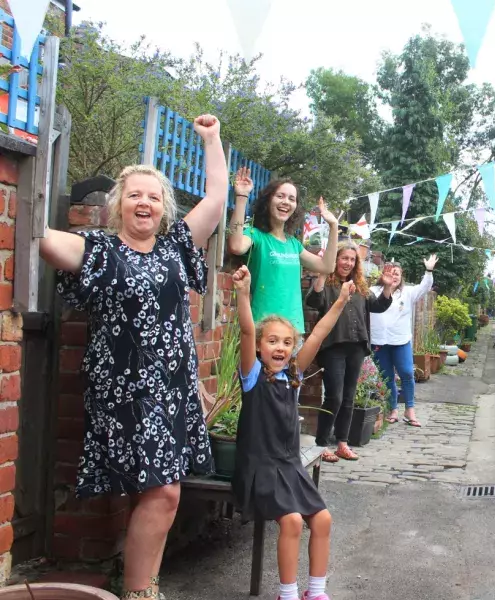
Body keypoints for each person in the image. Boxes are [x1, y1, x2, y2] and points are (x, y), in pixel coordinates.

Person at [41, 115, 227, 600]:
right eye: (133, 194)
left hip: (171, 388)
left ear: (163, 208)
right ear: (117, 205)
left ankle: (145, 584)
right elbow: (43, 238)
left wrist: (212, 140)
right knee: (165, 491)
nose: (143, 202)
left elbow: (216, 199)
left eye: (152, 195)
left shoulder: (176, 247)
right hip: (125, 391)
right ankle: (140, 592)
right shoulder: (99, 250)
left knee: (161, 493)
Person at [231, 265, 349, 600]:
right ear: (260, 348)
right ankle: (287, 592)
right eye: (272, 341)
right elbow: (245, 331)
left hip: (289, 467)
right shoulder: (252, 376)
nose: (280, 348)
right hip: (261, 468)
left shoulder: (293, 378)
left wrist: (339, 302)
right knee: (293, 521)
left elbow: (317, 336)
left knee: (323, 520)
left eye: (286, 342)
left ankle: (316, 591)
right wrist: (243, 295)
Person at [306, 241, 395, 462]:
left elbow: (379, 306)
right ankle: (321, 444)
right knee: (333, 397)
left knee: (348, 398)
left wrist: (387, 287)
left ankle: (342, 443)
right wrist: (320, 274)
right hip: (333, 346)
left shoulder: (360, 287)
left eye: (352, 259)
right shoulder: (327, 283)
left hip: (356, 347)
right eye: (344, 258)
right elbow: (313, 301)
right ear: (335, 260)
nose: (348, 263)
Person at [226, 172, 341, 334]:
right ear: (268, 201)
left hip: (293, 331)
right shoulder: (255, 235)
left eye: (291, 199)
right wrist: (241, 197)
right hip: (263, 329)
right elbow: (236, 246)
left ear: (295, 208)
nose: (286, 202)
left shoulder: (293, 244)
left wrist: (334, 226)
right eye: (280, 196)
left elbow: (326, 266)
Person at [370, 255, 437, 427]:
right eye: (390, 273)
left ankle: (410, 409)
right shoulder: (373, 291)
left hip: (400, 341)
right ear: (382, 274)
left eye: (397, 274)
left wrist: (428, 271)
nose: (393, 276)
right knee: (387, 377)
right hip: (379, 341)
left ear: (401, 276)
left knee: (407, 373)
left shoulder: (407, 292)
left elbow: (425, 287)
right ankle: (393, 409)